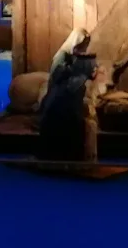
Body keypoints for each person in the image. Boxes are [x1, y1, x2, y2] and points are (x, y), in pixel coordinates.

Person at [37, 29, 98, 162]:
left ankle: (73, 159)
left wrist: (88, 73)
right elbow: (56, 77)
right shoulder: (62, 56)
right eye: (81, 45)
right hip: (59, 101)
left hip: (72, 101)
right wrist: (74, 71)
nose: (83, 48)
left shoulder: (76, 57)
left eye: (85, 45)